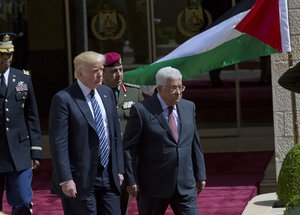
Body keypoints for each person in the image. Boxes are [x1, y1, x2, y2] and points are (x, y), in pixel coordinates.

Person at [123, 66, 207, 215]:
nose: (179, 92)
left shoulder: (189, 107)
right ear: (160, 88)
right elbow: (129, 149)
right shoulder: (142, 110)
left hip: (184, 184)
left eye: (181, 87)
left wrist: (200, 174)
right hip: (153, 186)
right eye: (173, 88)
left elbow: (194, 143)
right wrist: (131, 179)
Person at [49, 51, 124, 215]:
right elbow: (58, 142)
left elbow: (115, 135)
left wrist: (119, 169)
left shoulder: (106, 93)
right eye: (94, 71)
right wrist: (65, 178)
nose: (100, 74)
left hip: (109, 175)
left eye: (101, 69)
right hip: (80, 178)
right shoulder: (64, 99)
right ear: (79, 73)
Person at [0, 32, 42, 214]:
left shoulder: (23, 77)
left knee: (23, 200)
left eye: (9, 53)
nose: (6, 58)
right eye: (2, 53)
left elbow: (32, 116)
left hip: (19, 150)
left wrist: (36, 150)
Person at [102, 52, 143, 215]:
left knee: (124, 205)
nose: (118, 74)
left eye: (120, 69)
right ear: (102, 72)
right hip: (106, 160)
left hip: (129, 160)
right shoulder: (94, 94)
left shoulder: (134, 93)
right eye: (113, 71)